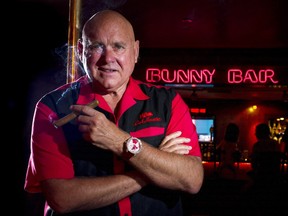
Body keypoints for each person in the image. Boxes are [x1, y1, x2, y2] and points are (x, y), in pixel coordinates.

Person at [24, 9, 204, 216]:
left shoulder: (168, 102)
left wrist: (117, 141)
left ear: (135, 52)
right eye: (97, 47)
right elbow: (61, 198)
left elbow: (191, 179)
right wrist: (151, 170)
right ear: (82, 51)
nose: (108, 58)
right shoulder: (53, 108)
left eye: (118, 47)